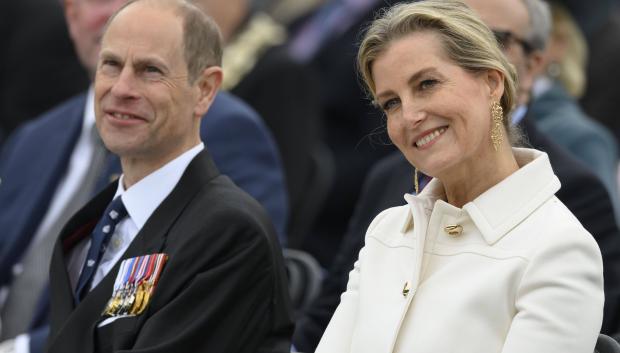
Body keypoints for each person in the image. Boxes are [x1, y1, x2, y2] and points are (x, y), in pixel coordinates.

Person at [315, 1, 604, 352]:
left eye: (426, 84)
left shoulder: (559, 249)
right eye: (391, 103)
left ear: (492, 82)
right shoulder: (386, 232)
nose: (409, 116)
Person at [0, 0, 288, 351]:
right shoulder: (91, 225)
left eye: (150, 70)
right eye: (111, 65)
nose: (121, 89)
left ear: (205, 89)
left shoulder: (230, 232)